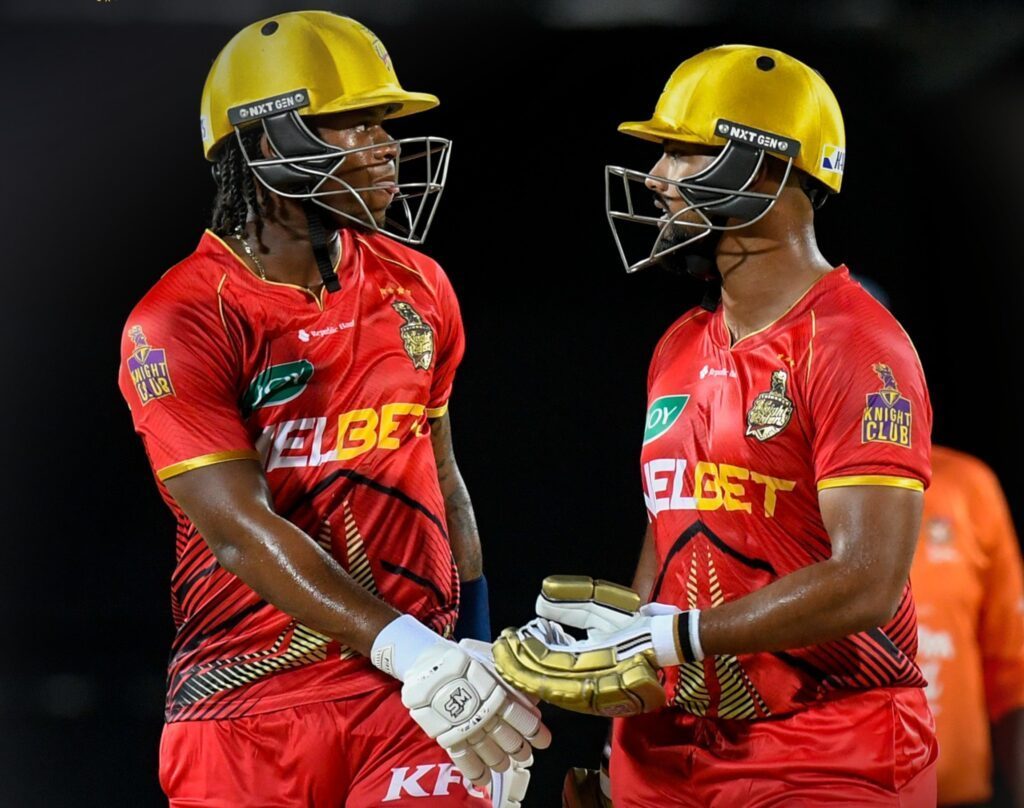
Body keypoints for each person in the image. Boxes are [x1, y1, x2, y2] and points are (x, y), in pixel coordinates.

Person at [118, 12, 548, 806]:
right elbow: (238, 530)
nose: (388, 145)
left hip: (415, 701)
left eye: (387, 123)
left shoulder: (420, 284)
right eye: (357, 123)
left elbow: (443, 478)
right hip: (245, 706)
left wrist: (477, 647)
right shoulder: (178, 319)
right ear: (269, 142)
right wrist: (413, 648)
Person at [494, 44, 937, 806]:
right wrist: (615, 689)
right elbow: (666, 538)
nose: (658, 179)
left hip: (824, 749)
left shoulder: (856, 344)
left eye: (684, 152)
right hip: (667, 755)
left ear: (766, 169)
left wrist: (676, 638)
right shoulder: (678, 343)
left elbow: (868, 579)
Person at [912, 447, 1024, 806]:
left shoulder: (968, 485)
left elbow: (1013, 674)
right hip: (840, 792)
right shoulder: (789, 484)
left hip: (960, 796)